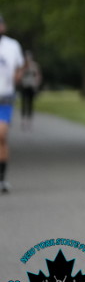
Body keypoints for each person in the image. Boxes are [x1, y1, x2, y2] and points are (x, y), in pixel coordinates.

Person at [0, 13, 25, 194]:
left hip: (5, 97)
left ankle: (2, 179)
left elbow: (20, 65)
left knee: (1, 135)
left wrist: (18, 76)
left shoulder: (12, 45)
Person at [19, 50, 42, 131]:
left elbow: (37, 75)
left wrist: (36, 84)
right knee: (23, 103)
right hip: (24, 86)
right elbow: (19, 75)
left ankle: (29, 121)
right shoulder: (22, 66)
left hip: (31, 86)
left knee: (30, 103)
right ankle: (23, 120)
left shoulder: (34, 65)